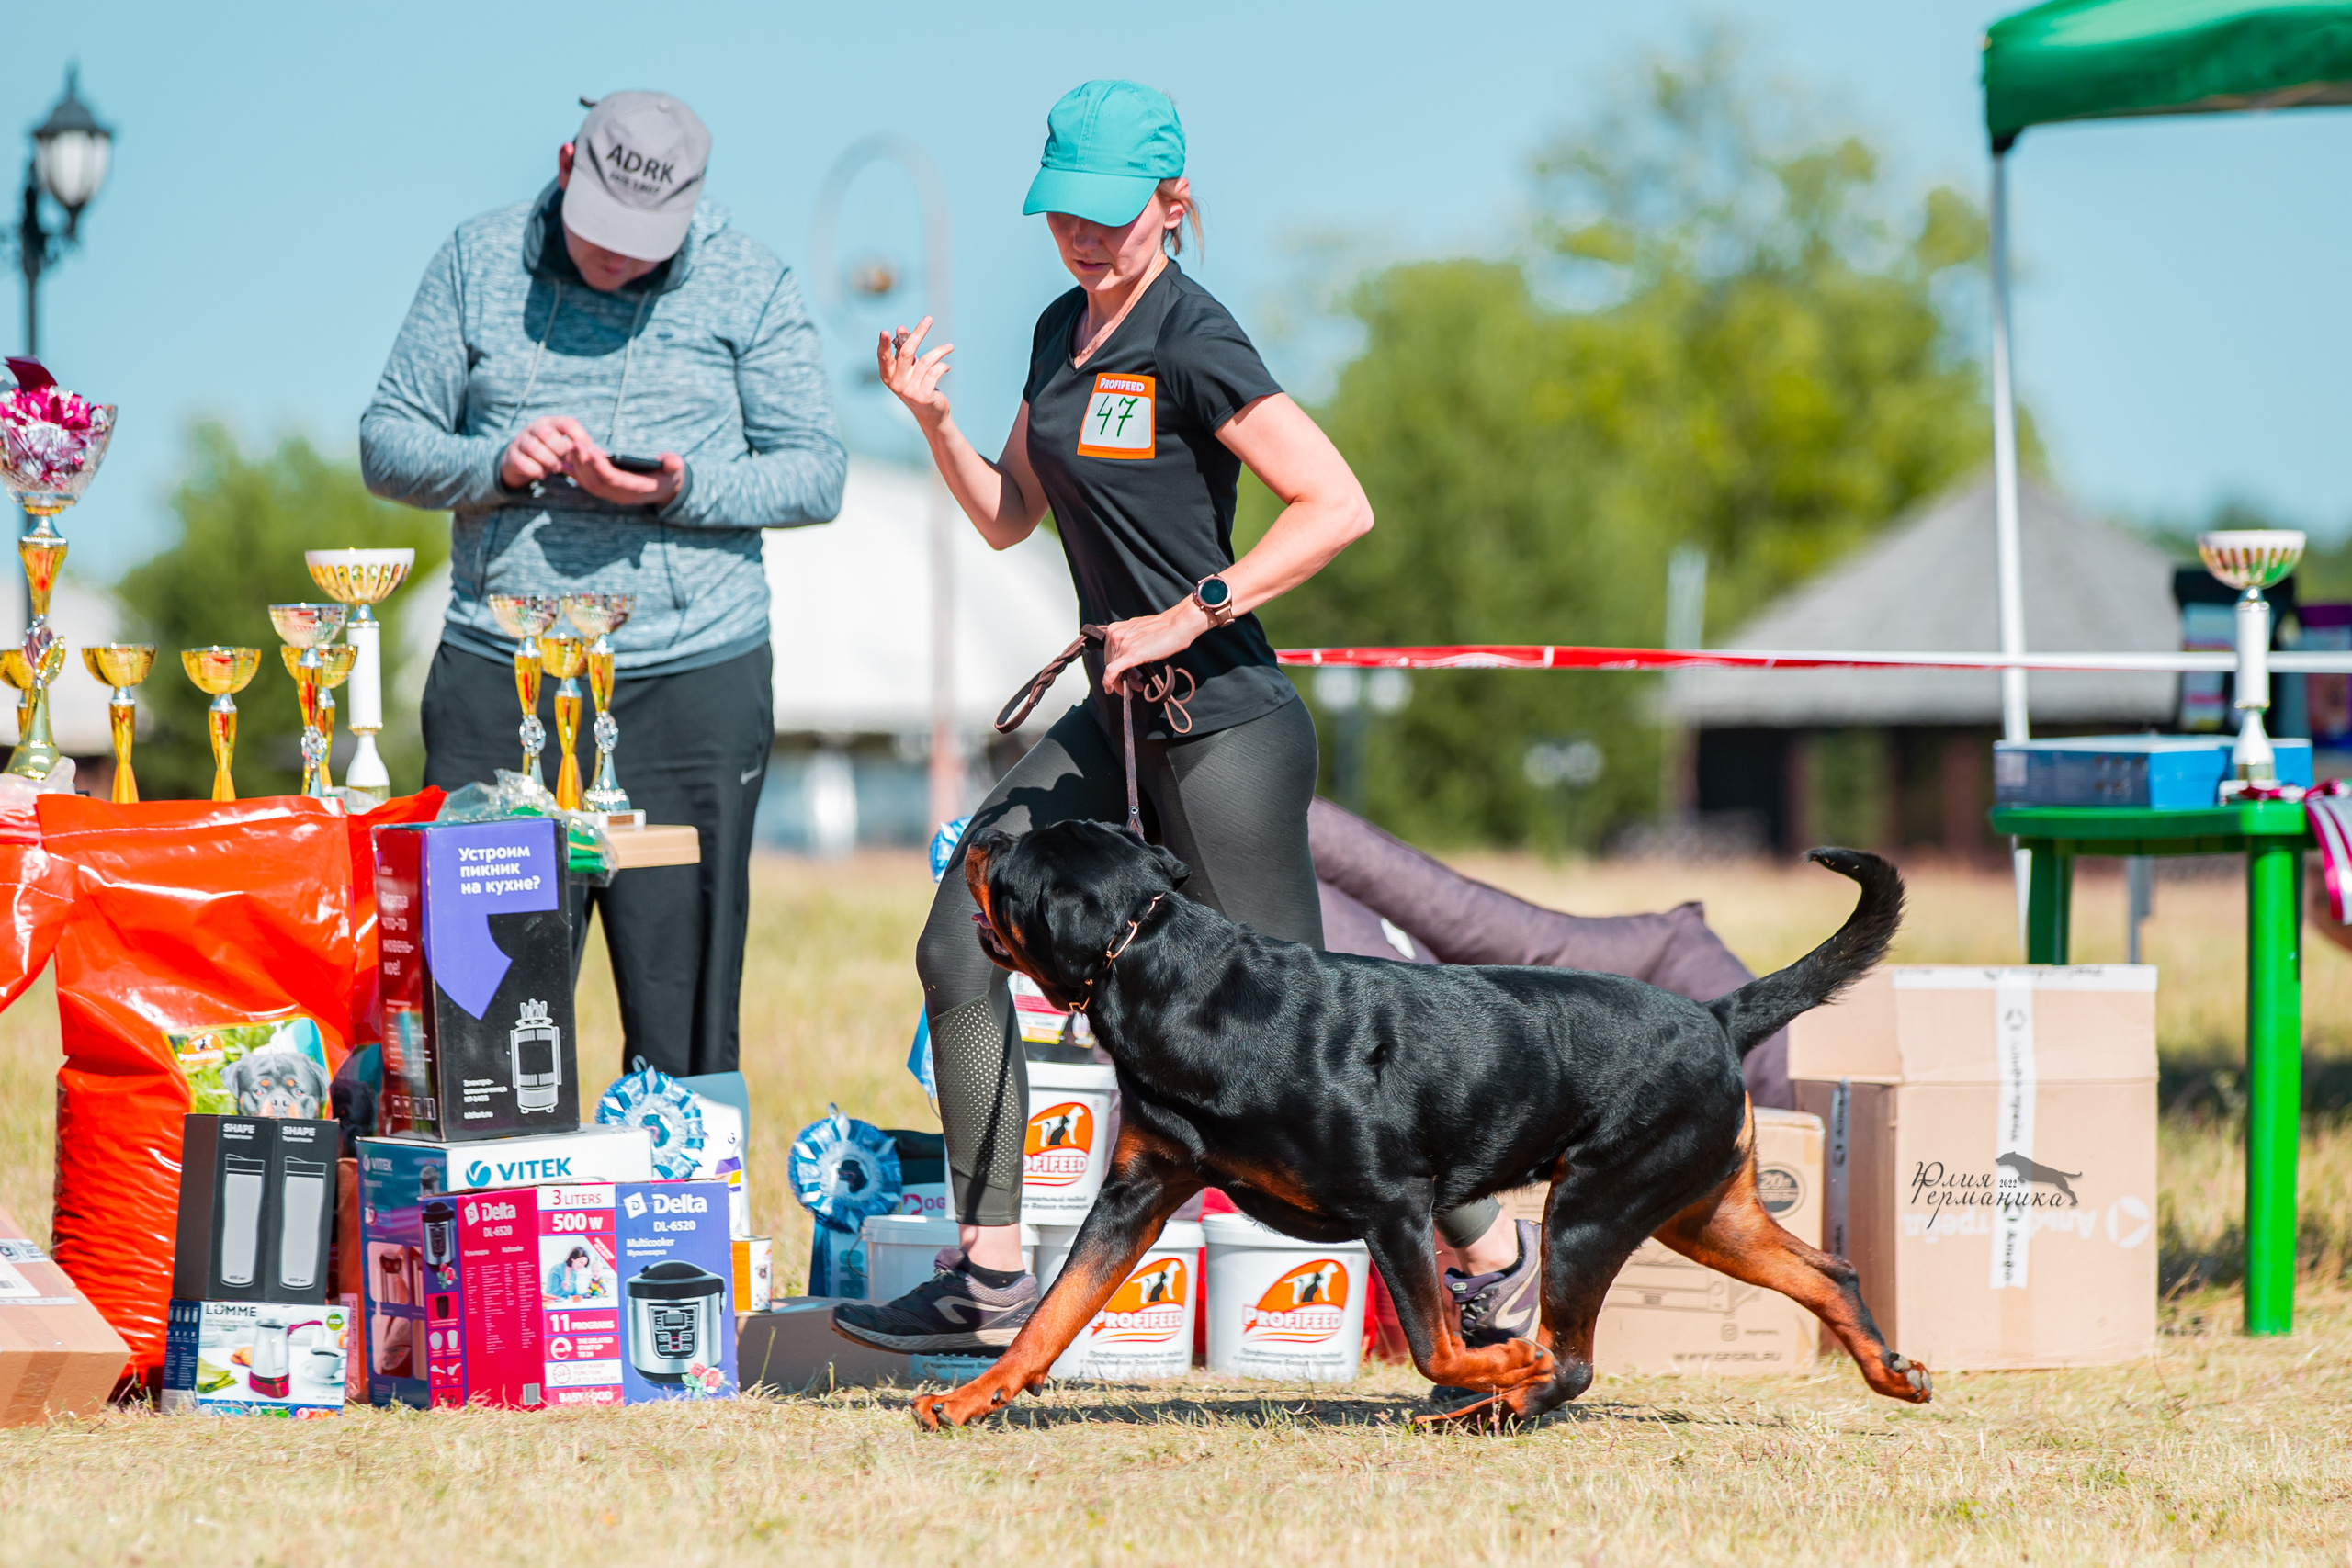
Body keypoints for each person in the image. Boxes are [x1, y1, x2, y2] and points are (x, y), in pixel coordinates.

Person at [832, 81, 1534, 1359]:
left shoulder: (1196, 336)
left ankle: (1490, 1248)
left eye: (1108, 215)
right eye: (1063, 213)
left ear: (1172, 201)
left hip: (1224, 725)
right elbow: (1008, 517)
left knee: (1306, 1039)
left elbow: (1337, 504)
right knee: (959, 941)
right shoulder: (1059, 331)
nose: (1083, 238)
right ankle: (988, 1272)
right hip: (1112, 721)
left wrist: (1189, 611)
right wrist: (931, 424)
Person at [361, 92, 845, 1078]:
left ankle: (683, 1177)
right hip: (502, 673)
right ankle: (486, 1176)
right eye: (601, 230)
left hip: (692, 675)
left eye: (644, 239)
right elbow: (386, 442)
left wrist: (681, 487)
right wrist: (495, 463)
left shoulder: (750, 280)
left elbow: (815, 472)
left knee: (683, 1015)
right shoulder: (475, 260)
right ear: (564, 164)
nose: (618, 257)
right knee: (480, 1014)